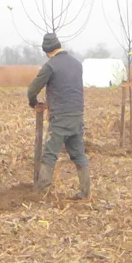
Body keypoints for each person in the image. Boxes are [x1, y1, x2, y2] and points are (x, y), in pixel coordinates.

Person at [27, 32, 90, 200]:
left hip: (60, 118)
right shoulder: (77, 64)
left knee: (49, 155)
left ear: (47, 51)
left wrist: (33, 103)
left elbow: (32, 89)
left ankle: (41, 193)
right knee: (79, 155)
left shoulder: (50, 66)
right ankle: (85, 193)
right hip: (77, 115)